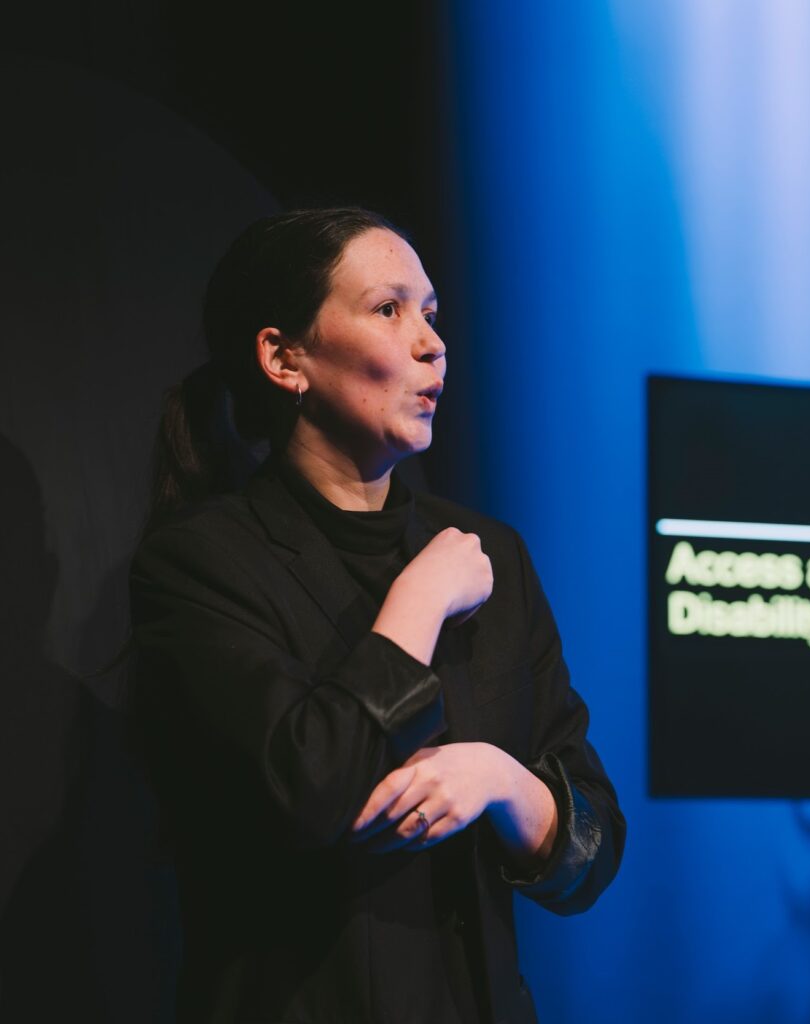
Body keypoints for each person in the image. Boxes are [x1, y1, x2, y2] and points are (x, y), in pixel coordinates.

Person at [131, 208, 625, 1024]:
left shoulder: (490, 554)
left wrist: (499, 781)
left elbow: (592, 849)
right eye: (389, 309)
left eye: (430, 312)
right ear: (284, 359)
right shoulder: (203, 564)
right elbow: (308, 786)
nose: (431, 342)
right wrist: (419, 602)